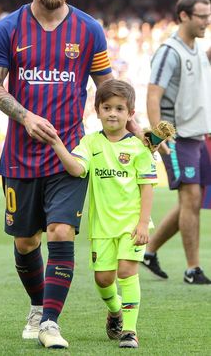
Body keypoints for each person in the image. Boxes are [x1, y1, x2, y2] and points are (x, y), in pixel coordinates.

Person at [0, 0, 115, 350]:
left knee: (61, 230)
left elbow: (107, 88)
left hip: (70, 154)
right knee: (26, 243)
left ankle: (50, 323)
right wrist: (24, 117)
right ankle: (38, 305)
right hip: (20, 157)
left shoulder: (89, 29)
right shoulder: (8, 28)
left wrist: (131, 127)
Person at [50, 79, 158, 349]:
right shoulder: (90, 143)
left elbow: (147, 187)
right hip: (102, 227)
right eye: (107, 107)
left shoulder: (139, 147)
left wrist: (144, 223)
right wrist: (56, 144)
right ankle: (115, 309)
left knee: (126, 272)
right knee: (103, 279)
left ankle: (130, 331)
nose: (113, 113)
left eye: (120, 108)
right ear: (97, 110)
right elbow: (76, 168)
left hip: (132, 224)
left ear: (130, 114)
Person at [144, 0, 211, 285]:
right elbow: (152, 94)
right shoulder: (169, 51)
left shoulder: (196, 47)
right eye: (202, 16)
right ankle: (192, 268)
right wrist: (157, 136)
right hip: (177, 136)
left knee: (190, 202)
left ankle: (149, 252)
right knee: (191, 197)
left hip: (197, 135)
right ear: (184, 16)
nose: (207, 22)